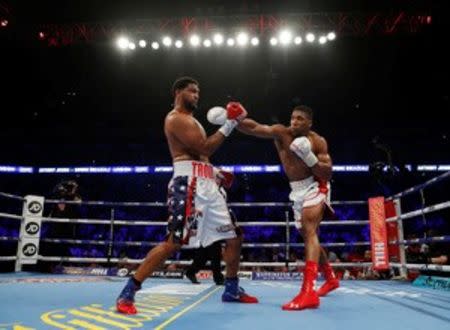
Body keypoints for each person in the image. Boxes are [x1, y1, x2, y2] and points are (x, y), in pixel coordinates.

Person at [116, 77, 258, 315]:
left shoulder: (192, 121)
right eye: (192, 91)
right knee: (174, 242)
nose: (196, 95)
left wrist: (215, 172)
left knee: (234, 236)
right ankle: (128, 292)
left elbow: (201, 157)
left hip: (206, 185)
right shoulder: (175, 119)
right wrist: (231, 123)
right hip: (188, 184)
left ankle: (231, 288)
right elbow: (205, 148)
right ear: (178, 92)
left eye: (198, 92)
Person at [210, 104, 339, 310]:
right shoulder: (282, 133)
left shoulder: (317, 141)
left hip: (316, 184)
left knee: (308, 229)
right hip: (296, 189)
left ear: (309, 123)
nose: (294, 122)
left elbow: (327, 173)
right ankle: (331, 278)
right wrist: (232, 119)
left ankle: (308, 292)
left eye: (300, 119)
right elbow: (254, 128)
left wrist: (309, 157)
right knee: (309, 234)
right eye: (293, 117)